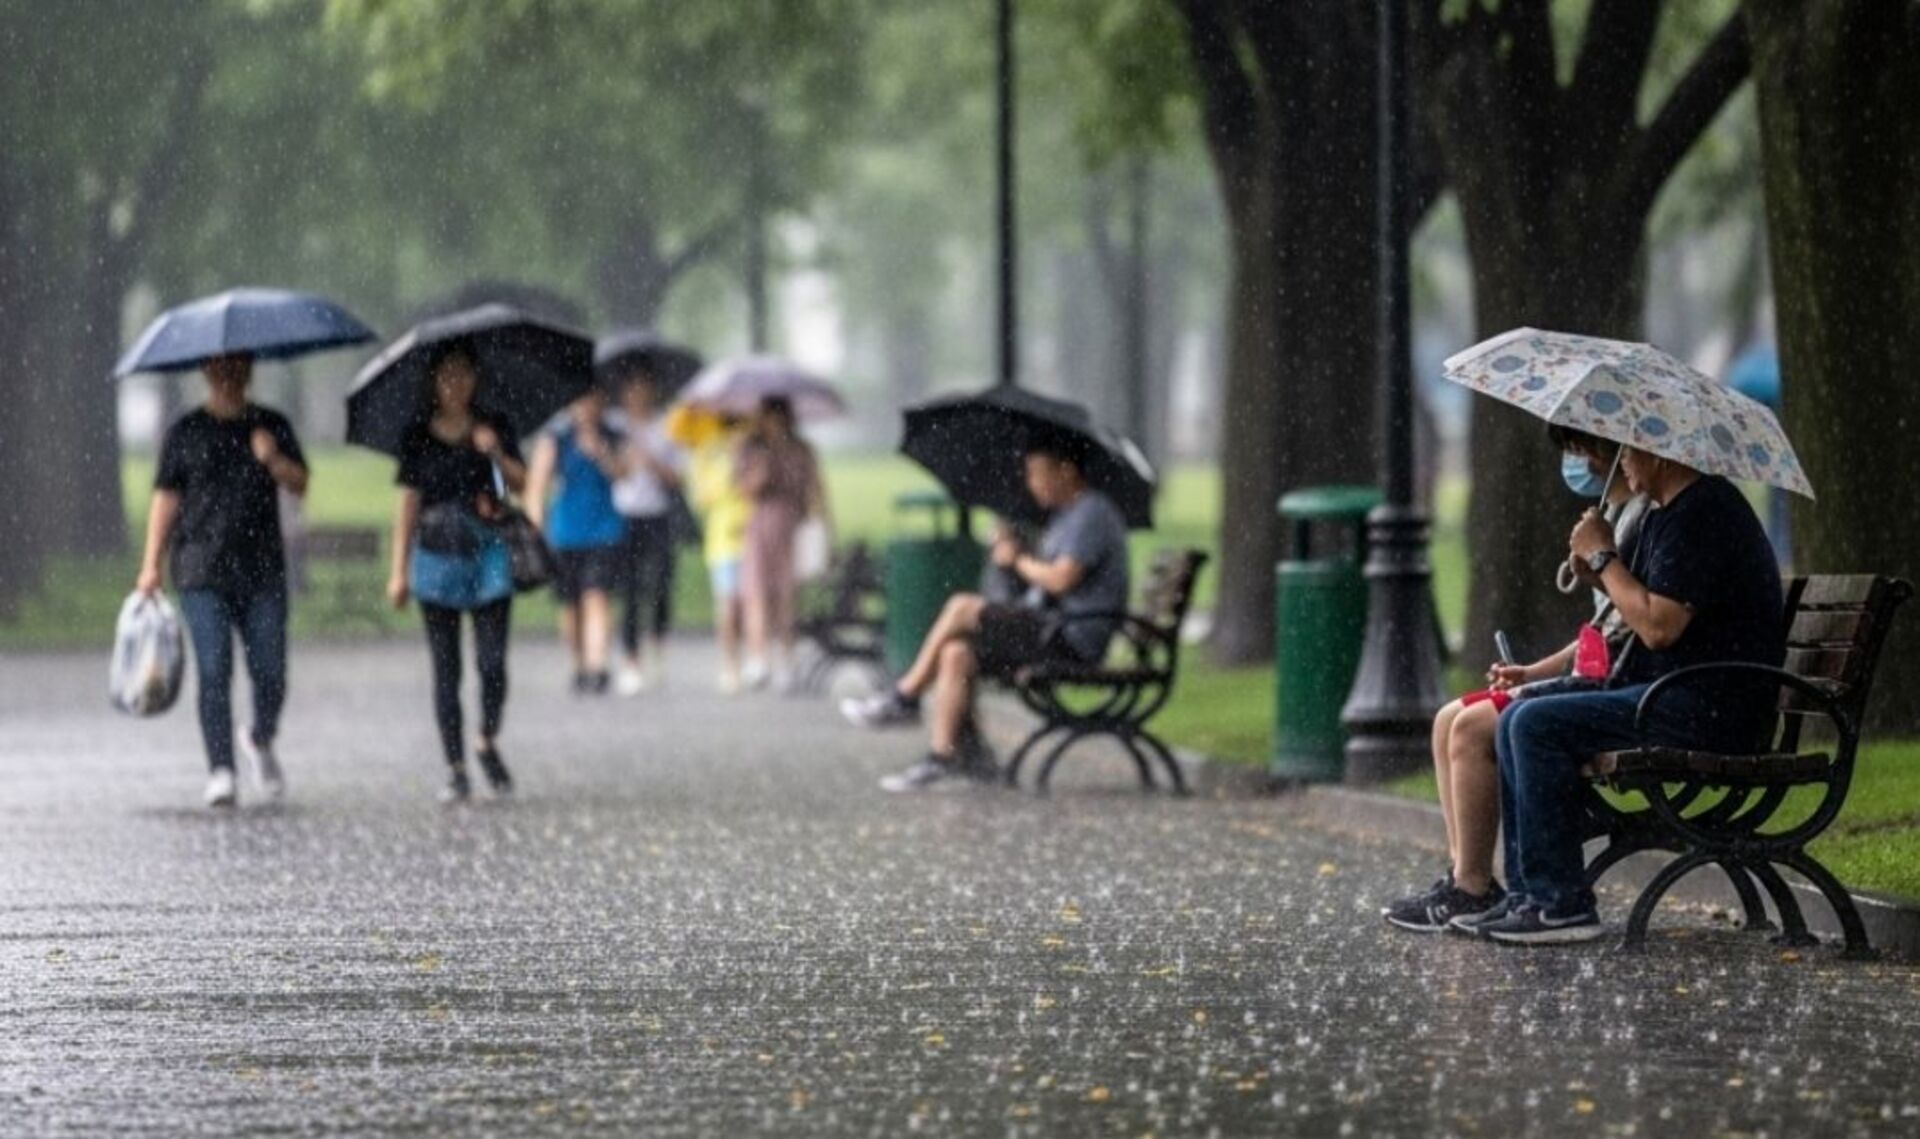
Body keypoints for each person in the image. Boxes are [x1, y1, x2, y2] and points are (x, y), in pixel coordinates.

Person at [1474, 446, 1784, 945]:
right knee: (1520, 715)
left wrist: (1604, 555)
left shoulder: (1704, 513)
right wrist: (1599, 571)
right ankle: (1531, 896)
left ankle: (1562, 905)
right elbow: (1637, 614)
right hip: (1673, 694)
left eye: (1629, 451)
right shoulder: (1670, 515)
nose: (1619, 465)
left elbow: (1659, 628)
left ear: (1659, 452)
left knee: (1534, 725)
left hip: (1709, 706)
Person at [1383, 427, 1649, 932]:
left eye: (1576, 450)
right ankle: (1467, 875)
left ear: (1602, 455)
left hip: (1618, 688)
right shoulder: (1612, 518)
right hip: (1600, 675)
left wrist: (1603, 558)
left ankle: (1476, 886)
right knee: (1446, 719)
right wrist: (1532, 672)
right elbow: (1602, 632)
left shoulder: (1637, 521)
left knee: (1473, 728)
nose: (1571, 462)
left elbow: (1632, 628)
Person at [842, 440, 1130, 793]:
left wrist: (1017, 560)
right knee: (956, 654)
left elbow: (1060, 579)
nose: (1031, 483)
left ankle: (905, 696)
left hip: (1072, 638)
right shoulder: (1063, 518)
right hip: (1048, 628)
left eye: (1036, 474)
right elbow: (1034, 588)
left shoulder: (1092, 513)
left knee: (962, 607)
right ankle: (944, 757)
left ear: (1066, 471)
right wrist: (1007, 559)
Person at [135, 353, 308, 809]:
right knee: (214, 669)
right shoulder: (185, 432)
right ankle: (221, 769)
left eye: (237, 367)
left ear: (250, 371)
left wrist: (272, 459)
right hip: (201, 570)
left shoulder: (272, 424)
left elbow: (301, 482)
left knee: (270, 668)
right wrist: (151, 562)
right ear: (207, 372)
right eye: (220, 368)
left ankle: (260, 736)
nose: (229, 376)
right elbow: (166, 498)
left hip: (262, 569)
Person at [385, 344, 524, 803]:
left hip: (489, 553)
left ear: (476, 379)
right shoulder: (417, 438)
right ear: (434, 383)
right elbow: (407, 503)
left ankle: (486, 737)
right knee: (447, 670)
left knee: (492, 664)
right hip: (436, 555)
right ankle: (456, 766)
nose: (456, 385)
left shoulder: (495, 425)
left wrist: (496, 455)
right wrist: (398, 570)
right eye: (447, 377)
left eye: (464, 375)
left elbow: (518, 484)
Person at [526, 386, 628, 695]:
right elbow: (537, 483)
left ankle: (599, 665)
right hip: (565, 532)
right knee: (571, 605)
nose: (587, 407)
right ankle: (579, 663)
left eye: (593, 399)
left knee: (597, 597)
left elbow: (625, 474)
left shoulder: (611, 435)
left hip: (604, 531)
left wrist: (601, 453)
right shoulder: (556, 437)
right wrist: (535, 522)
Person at [734, 395, 827, 692]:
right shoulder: (752, 449)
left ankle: (786, 657)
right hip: (761, 525)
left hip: (793, 527)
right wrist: (762, 467)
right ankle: (758, 657)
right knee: (757, 593)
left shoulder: (801, 450)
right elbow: (745, 489)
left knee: (787, 596)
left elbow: (814, 491)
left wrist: (823, 528)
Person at [607, 365, 686, 696]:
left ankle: (658, 643)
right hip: (625, 515)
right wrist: (624, 456)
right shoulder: (614, 426)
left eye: (644, 386)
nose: (638, 394)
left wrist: (651, 460)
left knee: (660, 584)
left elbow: (677, 478)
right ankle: (630, 659)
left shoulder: (667, 426)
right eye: (632, 387)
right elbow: (612, 472)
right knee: (629, 590)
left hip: (658, 515)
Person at [679, 408, 753, 693]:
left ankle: (753, 658)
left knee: (751, 605)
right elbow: (701, 497)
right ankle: (730, 664)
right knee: (728, 604)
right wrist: (732, 467)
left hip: (753, 535)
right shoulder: (709, 452)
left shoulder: (754, 446)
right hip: (723, 539)